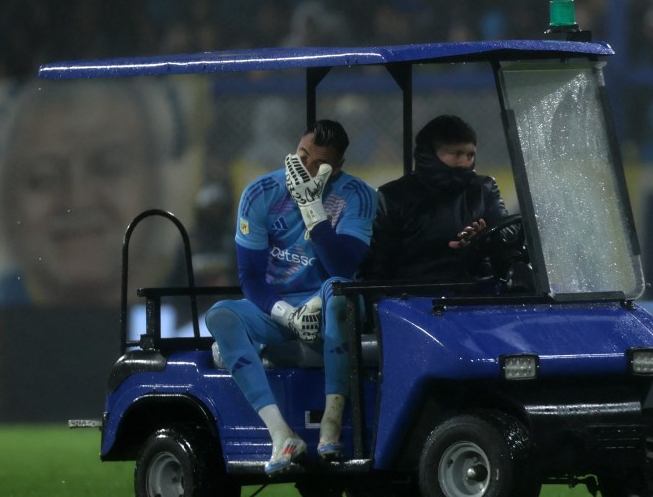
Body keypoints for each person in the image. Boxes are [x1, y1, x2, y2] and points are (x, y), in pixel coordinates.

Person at [205, 120, 376, 475]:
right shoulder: (260, 193)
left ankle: (331, 424)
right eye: (302, 155)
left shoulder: (357, 196)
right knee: (221, 315)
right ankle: (281, 435)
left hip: (330, 301)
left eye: (318, 163)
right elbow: (250, 277)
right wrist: (287, 314)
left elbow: (344, 267)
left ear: (337, 167)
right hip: (280, 307)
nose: (305, 168)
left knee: (338, 291)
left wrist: (313, 208)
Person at [0, 78, 199, 306]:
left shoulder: (204, 302)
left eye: (110, 167)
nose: (78, 199)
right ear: (8, 200)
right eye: (44, 177)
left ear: (156, 182)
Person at [364, 114, 512, 281]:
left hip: (478, 289)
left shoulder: (483, 189)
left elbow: (508, 232)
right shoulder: (392, 196)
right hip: (412, 292)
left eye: (470, 155)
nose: (465, 163)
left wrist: (486, 238)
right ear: (429, 154)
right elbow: (377, 263)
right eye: (457, 154)